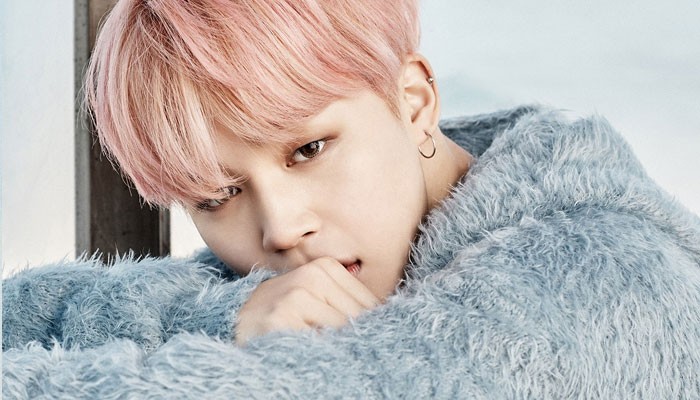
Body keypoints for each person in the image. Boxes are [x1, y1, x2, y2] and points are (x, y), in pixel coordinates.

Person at [3, 0, 700, 398]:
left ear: (414, 102)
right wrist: (221, 318)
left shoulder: (601, 280)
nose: (280, 228)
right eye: (218, 196)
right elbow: (31, 313)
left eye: (308, 149)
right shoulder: (373, 235)